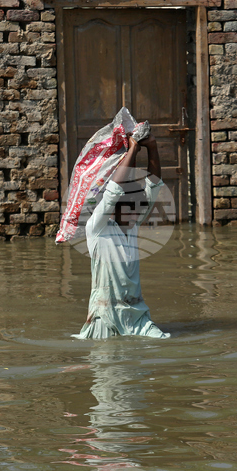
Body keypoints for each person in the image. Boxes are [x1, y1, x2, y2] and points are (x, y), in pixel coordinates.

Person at [73, 132, 170, 340]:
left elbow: (153, 185)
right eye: (129, 210)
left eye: (137, 210)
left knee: (164, 341)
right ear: (115, 209)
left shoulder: (132, 226)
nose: (135, 216)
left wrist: (152, 147)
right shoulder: (97, 228)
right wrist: (133, 149)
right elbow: (112, 192)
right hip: (104, 316)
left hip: (137, 316)